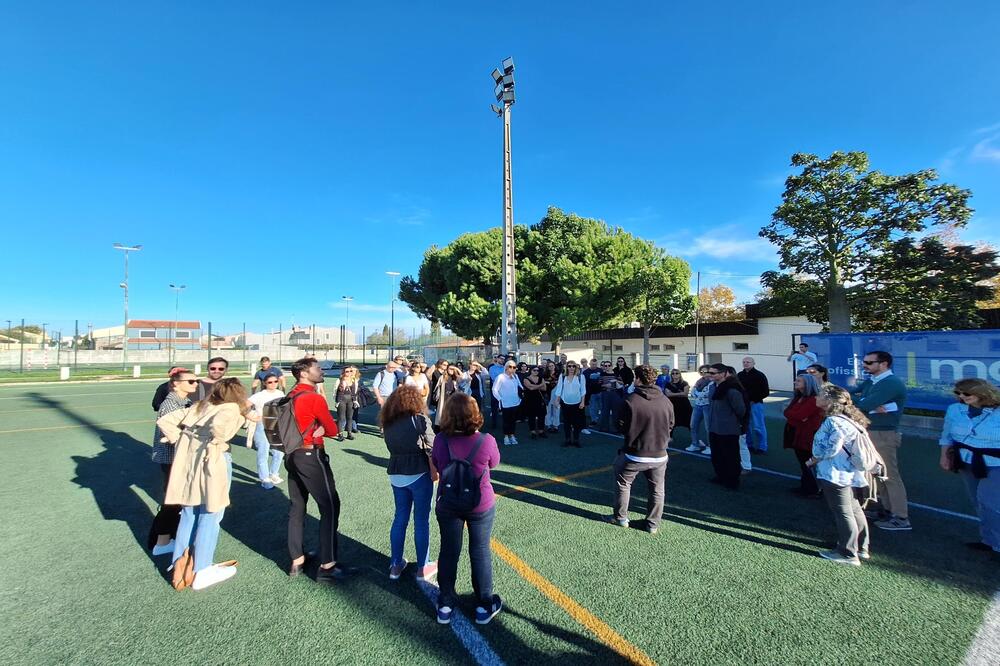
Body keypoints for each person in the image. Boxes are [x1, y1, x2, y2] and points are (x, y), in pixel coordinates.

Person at [157, 378, 258, 590]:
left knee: (189, 511)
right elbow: (220, 426)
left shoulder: (200, 405)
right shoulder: (230, 408)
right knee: (211, 513)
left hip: (188, 461)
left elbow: (164, 421)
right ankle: (201, 569)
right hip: (213, 461)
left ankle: (179, 563)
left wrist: (182, 440)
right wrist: (217, 440)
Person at [432, 394, 502, 626]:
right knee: (480, 550)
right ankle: (483, 604)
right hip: (479, 502)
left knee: (449, 551)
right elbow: (494, 463)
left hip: (449, 501)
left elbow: (438, 464)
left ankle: (445, 603)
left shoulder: (441, 440)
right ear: (475, 414)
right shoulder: (486, 440)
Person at [284, 357, 353, 582]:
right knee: (330, 505)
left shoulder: (290, 394)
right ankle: (327, 564)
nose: (321, 371)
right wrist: (323, 428)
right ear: (304, 373)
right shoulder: (313, 397)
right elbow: (333, 429)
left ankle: (297, 560)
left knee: (297, 506)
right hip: (310, 454)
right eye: (317, 368)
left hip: (291, 454)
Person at [806, 384, 872, 566]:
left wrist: (814, 458)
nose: (816, 397)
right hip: (851, 472)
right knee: (854, 509)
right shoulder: (849, 419)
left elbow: (832, 448)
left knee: (843, 512)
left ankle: (848, 552)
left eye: (820, 395)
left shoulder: (833, 421)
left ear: (829, 401)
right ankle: (861, 547)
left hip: (836, 473)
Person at [380, 385, 439, 581]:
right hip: (418, 472)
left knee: (400, 518)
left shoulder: (388, 422)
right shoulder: (418, 419)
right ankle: (423, 566)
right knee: (421, 520)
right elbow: (433, 445)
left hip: (396, 472)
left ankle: (395, 564)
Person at [608, 365, 675, 534]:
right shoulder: (665, 400)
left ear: (637, 379)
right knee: (657, 490)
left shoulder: (630, 400)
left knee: (623, 484)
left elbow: (619, 425)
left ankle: (621, 517)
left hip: (635, 453)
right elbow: (671, 424)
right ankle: (653, 524)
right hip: (660, 454)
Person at [849, 351, 910, 531]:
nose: (864, 365)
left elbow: (862, 404)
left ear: (883, 364)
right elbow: (851, 396)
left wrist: (862, 401)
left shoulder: (890, 383)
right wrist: (861, 400)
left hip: (884, 433)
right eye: (864, 361)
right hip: (872, 431)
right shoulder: (873, 381)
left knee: (890, 475)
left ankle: (901, 516)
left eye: (869, 362)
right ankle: (887, 509)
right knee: (878, 474)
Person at [939, 379, 1000, 553]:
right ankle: (989, 539)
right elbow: (947, 434)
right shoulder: (955, 410)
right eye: (958, 393)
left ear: (982, 393)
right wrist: (944, 455)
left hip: (995, 462)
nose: (962, 396)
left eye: (966, 393)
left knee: (990, 500)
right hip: (967, 460)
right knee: (977, 500)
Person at [148, 367, 197, 556]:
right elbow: (170, 433)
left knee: (178, 500)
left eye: (196, 381)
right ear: (176, 384)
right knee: (172, 501)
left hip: (178, 458)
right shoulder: (170, 404)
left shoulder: (184, 401)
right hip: (172, 458)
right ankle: (161, 542)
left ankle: (170, 536)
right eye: (190, 381)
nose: (195, 384)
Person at [783, 374, 825, 497]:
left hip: (807, 435)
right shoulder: (799, 397)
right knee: (803, 461)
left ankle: (814, 489)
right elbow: (788, 413)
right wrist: (794, 415)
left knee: (808, 461)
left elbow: (799, 415)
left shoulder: (813, 399)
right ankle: (806, 486)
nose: (795, 382)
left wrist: (794, 414)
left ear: (808, 383)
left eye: (799, 381)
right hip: (796, 432)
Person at [707, 364, 748, 490]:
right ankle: (721, 476)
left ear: (723, 374)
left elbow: (740, 410)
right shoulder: (713, 387)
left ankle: (732, 480)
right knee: (717, 455)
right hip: (715, 427)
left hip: (728, 429)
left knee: (731, 456)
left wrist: (731, 420)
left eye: (714, 373)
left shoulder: (732, 390)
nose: (710, 375)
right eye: (710, 372)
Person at [248, 374, 285, 488]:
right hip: (262, 425)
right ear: (264, 383)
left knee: (279, 451)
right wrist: (251, 416)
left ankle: (274, 473)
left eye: (275, 381)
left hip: (277, 425)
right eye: (270, 382)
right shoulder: (258, 395)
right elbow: (243, 406)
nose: (273, 384)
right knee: (263, 451)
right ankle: (265, 478)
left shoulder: (280, 394)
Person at [737, 357, 770, 454]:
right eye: (744, 362)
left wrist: (753, 400)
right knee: (746, 426)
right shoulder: (739, 375)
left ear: (753, 363)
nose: (746, 363)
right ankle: (749, 445)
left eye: (748, 362)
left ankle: (762, 447)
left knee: (758, 426)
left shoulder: (760, 375)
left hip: (756, 404)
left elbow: (765, 391)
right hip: (744, 405)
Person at [553, 360, 587, 447]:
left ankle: (576, 440)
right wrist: (557, 400)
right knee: (567, 423)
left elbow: (583, 390)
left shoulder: (581, 377)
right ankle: (567, 439)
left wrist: (582, 402)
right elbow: (559, 389)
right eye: (569, 366)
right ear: (567, 367)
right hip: (565, 403)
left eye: (573, 366)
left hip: (577, 403)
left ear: (576, 367)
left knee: (577, 423)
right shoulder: (562, 376)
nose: (571, 368)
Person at [491, 360, 523, 446]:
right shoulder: (500, 377)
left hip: (515, 402)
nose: (512, 369)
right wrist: (500, 399)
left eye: (514, 367)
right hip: (505, 403)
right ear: (506, 367)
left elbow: (520, 386)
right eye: (510, 366)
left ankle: (512, 435)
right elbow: (494, 389)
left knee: (513, 420)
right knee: (506, 420)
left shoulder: (515, 376)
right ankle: (506, 436)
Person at [686, 365, 713, 454]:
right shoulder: (699, 381)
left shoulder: (712, 382)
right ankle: (695, 444)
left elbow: (706, 394)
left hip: (707, 406)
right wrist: (697, 393)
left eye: (705, 372)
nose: (703, 374)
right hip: (698, 405)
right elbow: (693, 392)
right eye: (701, 372)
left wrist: (697, 393)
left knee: (708, 427)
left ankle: (710, 446)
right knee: (693, 425)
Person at [334, 366, 360, 441]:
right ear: (343, 372)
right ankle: (340, 434)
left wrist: (355, 400)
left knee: (350, 417)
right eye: (347, 371)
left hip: (351, 400)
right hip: (342, 399)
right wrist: (337, 401)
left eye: (350, 371)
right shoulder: (339, 380)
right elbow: (335, 391)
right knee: (341, 418)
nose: (349, 373)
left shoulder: (354, 380)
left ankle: (349, 433)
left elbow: (355, 392)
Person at [521, 366, 548, 439]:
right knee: (531, 416)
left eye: (537, 370)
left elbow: (544, 388)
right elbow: (530, 388)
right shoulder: (526, 379)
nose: (536, 372)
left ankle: (541, 431)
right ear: (530, 370)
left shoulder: (541, 378)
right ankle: (532, 431)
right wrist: (540, 385)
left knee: (541, 416)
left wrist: (535, 386)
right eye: (534, 370)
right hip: (530, 400)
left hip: (540, 400)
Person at [662, 369, 692, 436]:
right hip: (673, 405)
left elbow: (685, 394)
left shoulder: (685, 383)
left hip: (684, 406)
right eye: (673, 373)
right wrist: (680, 393)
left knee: (690, 423)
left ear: (680, 374)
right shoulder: (668, 384)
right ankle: (668, 439)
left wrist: (673, 393)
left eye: (677, 373)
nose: (675, 375)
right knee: (670, 422)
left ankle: (695, 440)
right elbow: (668, 394)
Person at [598, 361, 624, 433]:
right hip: (605, 393)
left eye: (608, 365)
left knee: (616, 412)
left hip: (615, 394)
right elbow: (599, 385)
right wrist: (605, 385)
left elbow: (622, 383)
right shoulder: (602, 374)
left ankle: (616, 429)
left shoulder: (616, 374)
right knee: (605, 411)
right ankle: (604, 428)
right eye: (605, 366)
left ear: (611, 366)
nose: (607, 367)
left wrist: (616, 381)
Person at [583, 359, 604, 433]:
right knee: (593, 407)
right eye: (592, 364)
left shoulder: (600, 370)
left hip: (600, 391)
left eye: (595, 364)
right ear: (590, 364)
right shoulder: (586, 372)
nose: (594, 366)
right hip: (591, 393)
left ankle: (602, 420)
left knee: (602, 407)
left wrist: (600, 381)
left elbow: (603, 379)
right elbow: (584, 382)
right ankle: (594, 420)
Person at [486, 354, 505, 429]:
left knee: (504, 407)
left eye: (503, 359)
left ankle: (505, 424)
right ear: (497, 359)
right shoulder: (492, 368)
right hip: (495, 390)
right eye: (501, 358)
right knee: (494, 407)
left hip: (504, 390)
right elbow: (494, 379)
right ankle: (494, 423)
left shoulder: (505, 368)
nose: (502, 360)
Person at [543, 360, 561, 433]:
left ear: (554, 366)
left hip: (556, 393)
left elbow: (560, 385)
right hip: (547, 393)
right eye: (549, 366)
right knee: (548, 410)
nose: (551, 367)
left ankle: (556, 425)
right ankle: (549, 425)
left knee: (556, 409)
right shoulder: (545, 374)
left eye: (552, 365)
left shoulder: (558, 374)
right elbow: (544, 383)